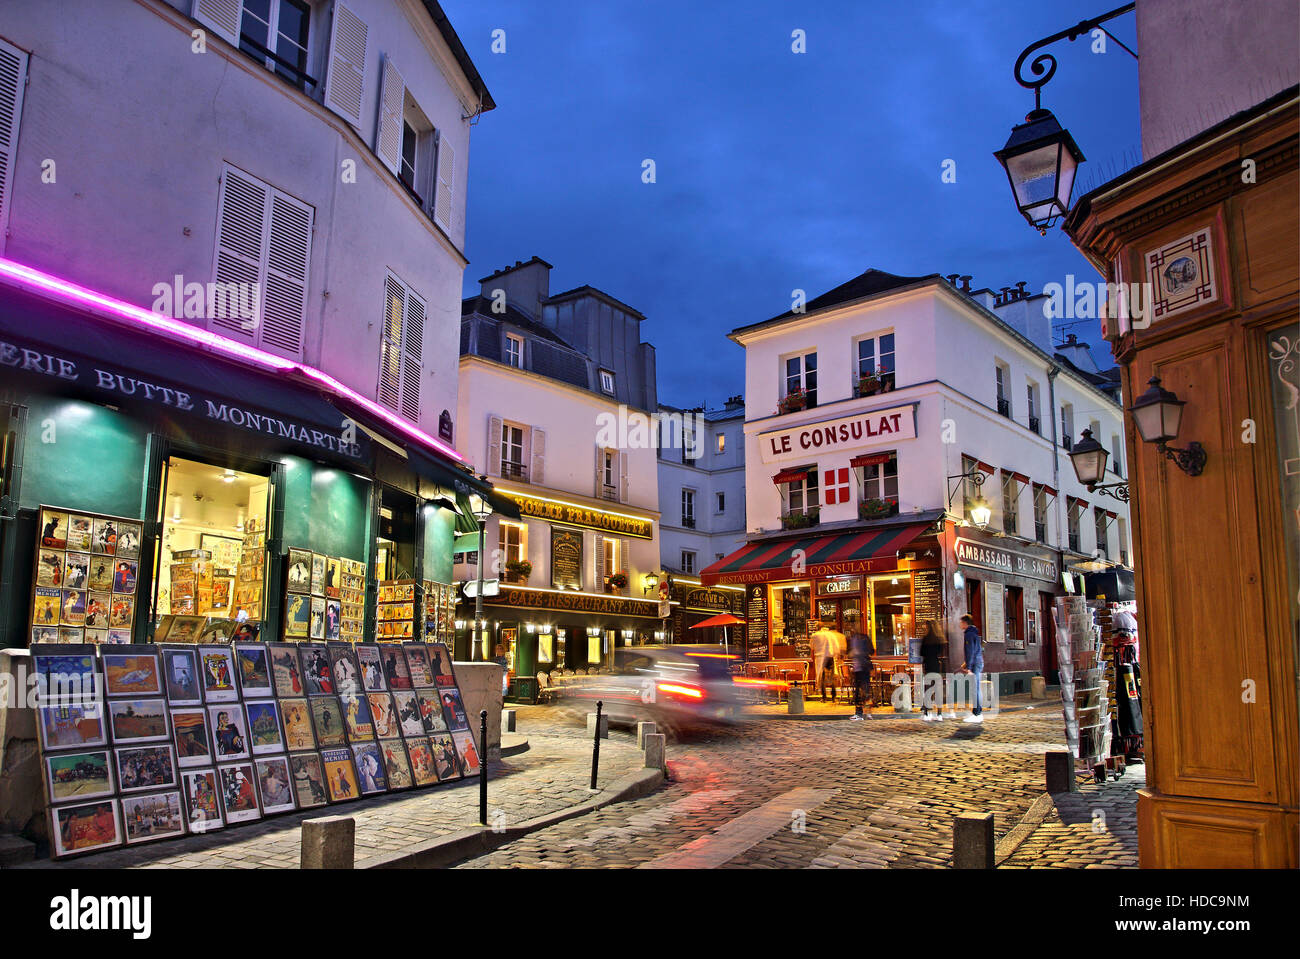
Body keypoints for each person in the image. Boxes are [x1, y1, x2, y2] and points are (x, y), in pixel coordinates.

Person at [846, 611, 874, 720]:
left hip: (862, 667)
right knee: (861, 691)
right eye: (852, 625)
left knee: (863, 691)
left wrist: (857, 653)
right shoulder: (854, 639)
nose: (852, 627)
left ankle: (863, 713)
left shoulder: (861, 638)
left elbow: (871, 650)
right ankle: (863, 713)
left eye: (853, 625)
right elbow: (849, 653)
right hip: (859, 667)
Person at [959, 613, 985, 723]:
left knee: (975, 688)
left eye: (961, 622)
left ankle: (977, 713)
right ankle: (978, 712)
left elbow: (970, 651)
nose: (960, 624)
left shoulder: (968, 635)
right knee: (976, 688)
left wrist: (968, 667)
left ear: (965, 623)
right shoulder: (974, 633)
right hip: (978, 662)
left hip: (974, 664)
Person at [919, 620, 947, 721]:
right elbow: (940, 652)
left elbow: (921, 652)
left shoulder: (925, 639)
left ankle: (926, 713)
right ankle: (939, 714)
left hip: (928, 666)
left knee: (927, 690)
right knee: (938, 690)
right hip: (936, 666)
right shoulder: (939, 639)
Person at [809, 621, 835, 702]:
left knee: (822, 677)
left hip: (821, 657)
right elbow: (835, 644)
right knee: (831, 677)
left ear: (817, 627)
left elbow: (812, 647)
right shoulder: (830, 634)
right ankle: (833, 697)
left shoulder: (815, 635)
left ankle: (824, 698)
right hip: (830, 656)